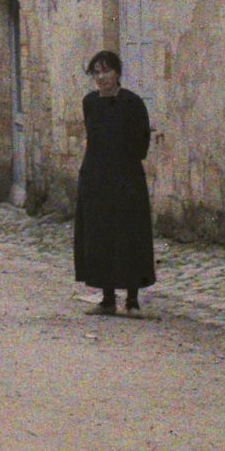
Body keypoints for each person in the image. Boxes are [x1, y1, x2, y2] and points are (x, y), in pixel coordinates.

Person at [73, 49, 156, 314]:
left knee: (129, 235)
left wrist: (123, 165)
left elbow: (141, 142)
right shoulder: (90, 103)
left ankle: (131, 300)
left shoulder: (132, 103)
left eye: (106, 71)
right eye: (96, 72)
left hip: (126, 179)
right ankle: (107, 299)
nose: (102, 77)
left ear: (117, 73)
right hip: (96, 179)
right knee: (100, 236)